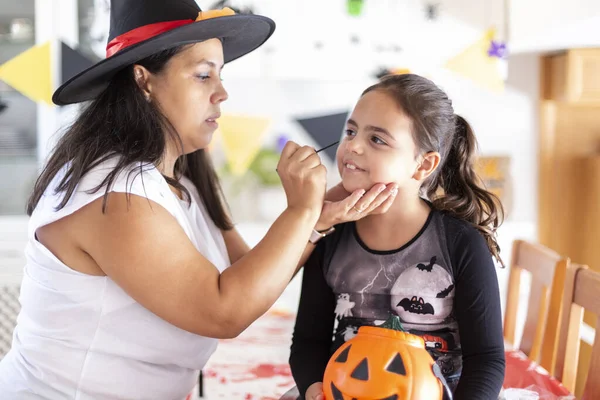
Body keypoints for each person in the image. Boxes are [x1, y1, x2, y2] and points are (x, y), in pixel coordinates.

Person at [0, 1, 397, 399]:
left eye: (220, 75)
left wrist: (316, 220)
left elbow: (247, 272)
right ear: (144, 80)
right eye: (203, 75)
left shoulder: (181, 180)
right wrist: (300, 211)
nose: (222, 93)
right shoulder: (113, 195)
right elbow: (223, 312)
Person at [289, 74, 506, 400]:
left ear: (423, 165)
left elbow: (487, 360)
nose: (353, 146)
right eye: (351, 131)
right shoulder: (328, 236)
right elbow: (308, 342)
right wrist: (313, 389)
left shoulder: (461, 244)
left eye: (377, 139)